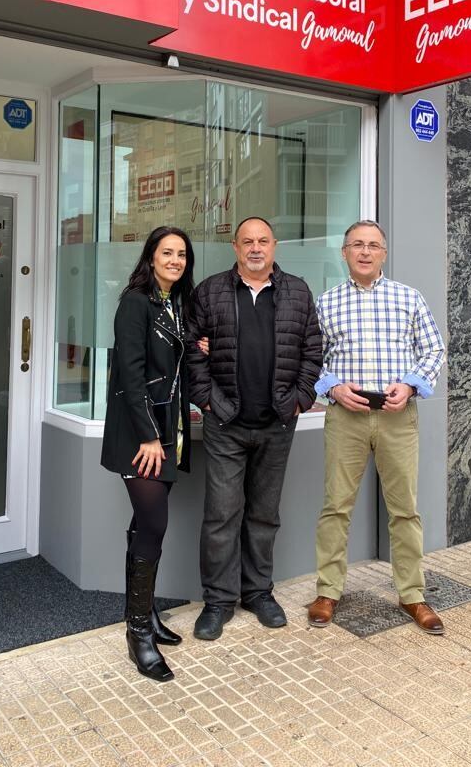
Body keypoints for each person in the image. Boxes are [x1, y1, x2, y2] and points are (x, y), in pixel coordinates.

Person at [186, 217, 322, 640]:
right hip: (226, 423)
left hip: (277, 424)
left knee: (264, 515)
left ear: (275, 246)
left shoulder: (297, 291)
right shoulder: (210, 291)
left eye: (263, 241)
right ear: (235, 246)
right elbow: (193, 352)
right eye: (248, 242)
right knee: (221, 515)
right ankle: (218, 601)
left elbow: (313, 350)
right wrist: (208, 401)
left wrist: (299, 398)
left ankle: (258, 592)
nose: (256, 248)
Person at [309, 220, 446, 634]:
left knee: (404, 509)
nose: (365, 252)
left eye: (373, 245)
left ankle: (413, 595)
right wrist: (332, 387)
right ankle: (328, 590)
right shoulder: (326, 303)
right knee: (336, 507)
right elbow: (309, 358)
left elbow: (434, 349)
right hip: (345, 417)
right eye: (357, 245)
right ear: (345, 253)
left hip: (396, 416)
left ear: (384, 253)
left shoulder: (408, 298)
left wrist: (409, 386)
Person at [100, 226, 195, 682]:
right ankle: (138, 633)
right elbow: (130, 377)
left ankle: (145, 615)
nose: (175, 260)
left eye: (181, 254)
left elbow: (174, 364)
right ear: (151, 257)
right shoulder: (135, 302)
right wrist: (150, 437)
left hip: (168, 429)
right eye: (167, 253)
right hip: (140, 434)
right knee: (154, 522)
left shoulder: (175, 304)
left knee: (143, 524)